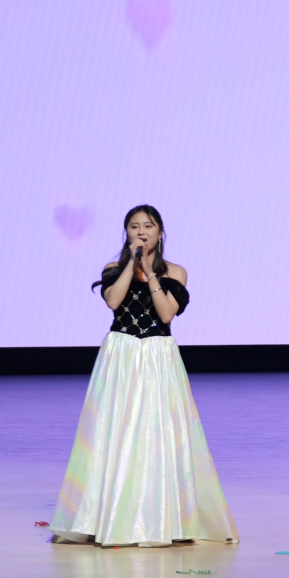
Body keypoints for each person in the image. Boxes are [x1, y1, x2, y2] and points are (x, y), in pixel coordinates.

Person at [48, 205, 239, 547]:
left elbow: (166, 314)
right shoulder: (113, 269)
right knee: (113, 429)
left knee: (157, 429)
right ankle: (106, 516)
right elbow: (113, 302)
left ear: (160, 233)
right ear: (126, 234)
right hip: (121, 355)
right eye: (134, 226)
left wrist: (150, 273)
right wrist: (131, 265)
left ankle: (159, 518)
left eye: (148, 226)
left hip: (156, 355)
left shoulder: (176, 272)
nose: (141, 231)